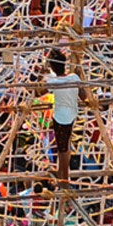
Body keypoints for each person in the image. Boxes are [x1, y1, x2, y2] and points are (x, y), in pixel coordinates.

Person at [43, 49, 87, 183]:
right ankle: (61, 172)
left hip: (60, 118)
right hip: (72, 115)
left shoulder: (54, 82)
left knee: (62, 150)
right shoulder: (74, 78)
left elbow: (40, 91)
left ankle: (64, 179)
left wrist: (42, 75)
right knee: (65, 145)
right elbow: (84, 96)